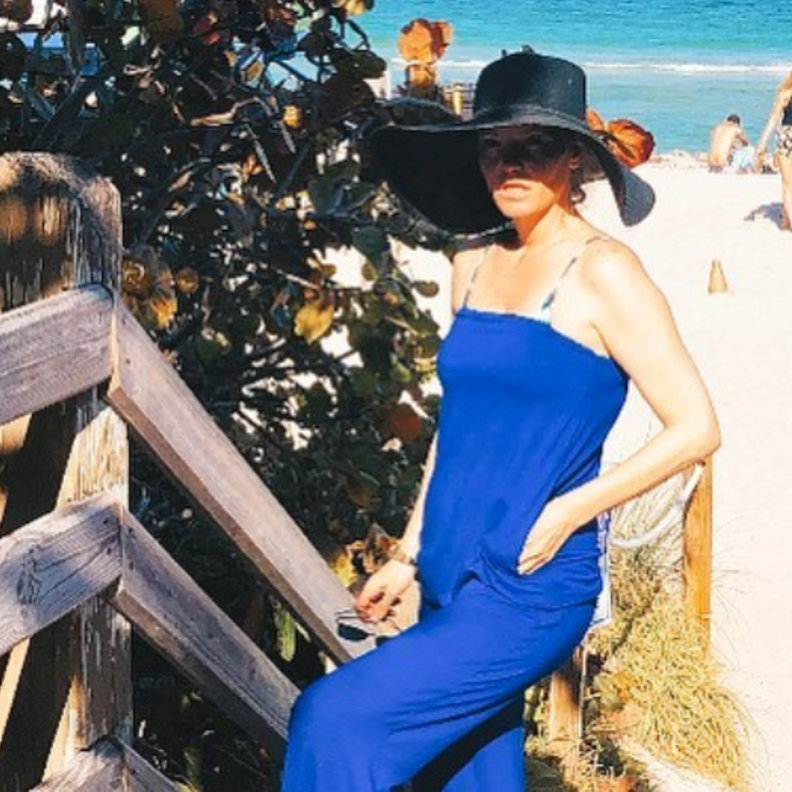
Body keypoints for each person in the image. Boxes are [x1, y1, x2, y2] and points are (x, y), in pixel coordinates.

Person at [280, 51, 720, 792]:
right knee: (468, 773)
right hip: (448, 558)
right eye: (493, 147)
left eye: (534, 146)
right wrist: (410, 552)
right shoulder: (472, 263)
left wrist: (568, 511)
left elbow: (697, 426)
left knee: (334, 719)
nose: (510, 164)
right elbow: (458, 427)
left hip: (530, 578)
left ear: (574, 158)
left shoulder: (604, 272)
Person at [755, 70, 792, 230]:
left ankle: (788, 220)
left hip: (787, 135)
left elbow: (773, 120)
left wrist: (762, 143)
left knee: (787, 184)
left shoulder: (786, 93)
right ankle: (786, 219)